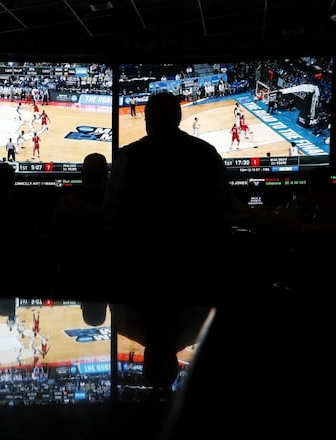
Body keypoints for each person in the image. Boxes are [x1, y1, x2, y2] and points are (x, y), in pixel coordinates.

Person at [103, 91, 232, 387]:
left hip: (141, 274)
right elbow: (224, 212)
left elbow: (110, 220)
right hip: (193, 273)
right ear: (179, 118)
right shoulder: (207, 154)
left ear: (147, 121)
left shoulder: (129, 157)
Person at [52, 152, 109, 323]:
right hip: (104, 276)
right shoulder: (114, 206)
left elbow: (55, 244)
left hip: (71, 274)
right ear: (106, 175)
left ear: (82, 174)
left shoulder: (65, 203)